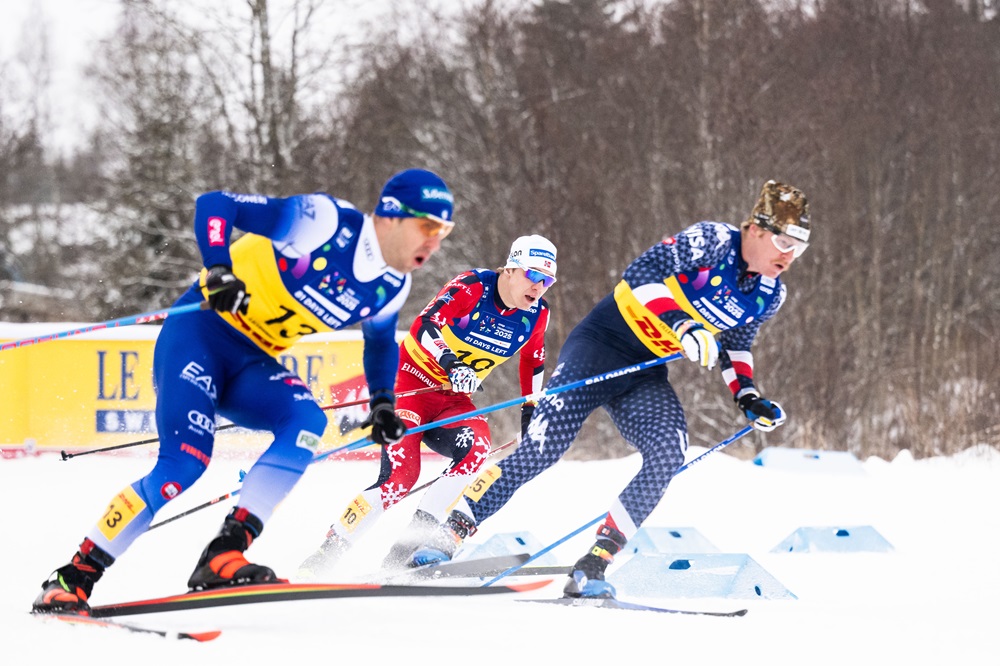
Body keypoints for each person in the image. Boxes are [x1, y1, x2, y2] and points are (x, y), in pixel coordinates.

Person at [32, 168, 455, 614]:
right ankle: (73, 576)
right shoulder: (326, 223)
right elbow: (216, 204)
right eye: (427, 227)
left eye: (443, 231)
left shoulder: (393, 285)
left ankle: (224, 552)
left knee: (308, 421)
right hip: (199, 336)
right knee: (183, 466)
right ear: (390, 216)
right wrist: (218, 268)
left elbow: (379, 343)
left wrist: (383, 401)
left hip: (251, 361)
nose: (434, 241)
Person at [415, 180, 810, 598]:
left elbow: (737, 344)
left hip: (643, 374)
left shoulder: (770, 293)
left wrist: (747, 395)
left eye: (799, 247)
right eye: (784, 241)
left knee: (667, 454)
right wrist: (684, 325)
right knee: (542, 448)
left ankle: (594, 564)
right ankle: (449, 533)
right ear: (756, 230)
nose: (789, 255)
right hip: (600, 346)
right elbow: (639, 273)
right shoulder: (712, 241)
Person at [296, 234, 557, 579]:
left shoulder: (536, 315)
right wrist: (451, 362)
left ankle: (404, 555)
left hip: (452, 398)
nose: (539, 287)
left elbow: (532, 361)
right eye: (533, 275)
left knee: (477, 448)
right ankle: (326, 555)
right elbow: (425, 326)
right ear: (510, 269)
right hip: (409, 383)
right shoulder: (473, 287)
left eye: (547, 280)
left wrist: (530, 409)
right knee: (401, 478)